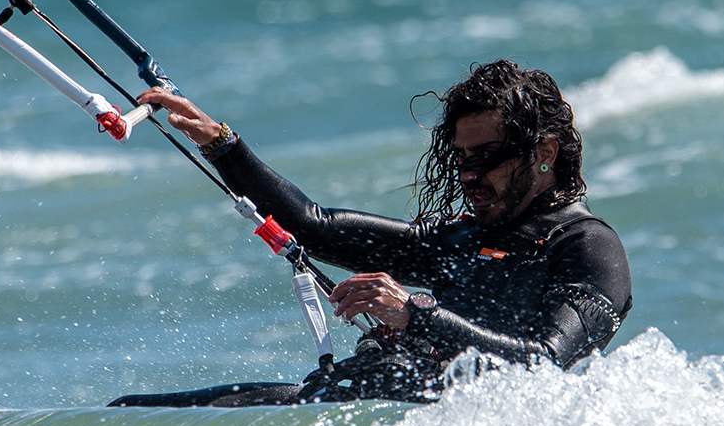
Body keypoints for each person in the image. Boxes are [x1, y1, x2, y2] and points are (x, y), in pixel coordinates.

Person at [109, 59, 631, 406]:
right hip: (341, 405)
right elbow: (316, 228)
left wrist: (416, 314)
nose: (469, 175)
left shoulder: (586, 247)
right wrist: (224, 145)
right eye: (462, 159)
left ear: (544, 153)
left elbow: (544, 364)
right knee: (128, 413)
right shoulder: (460, 239)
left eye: (488, 158)